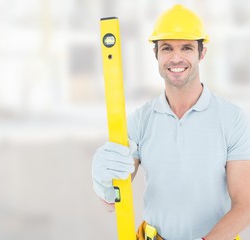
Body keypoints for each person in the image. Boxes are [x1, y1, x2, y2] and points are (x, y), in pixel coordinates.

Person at [92, 4, 250, 240]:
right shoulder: (140, 121)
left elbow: (244, 207)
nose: (176, 58)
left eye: (186, 48)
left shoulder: (232, 119)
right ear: (156, 54)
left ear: (202, 53)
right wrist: (104, 184)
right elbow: (114, 201)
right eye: (167, 48)